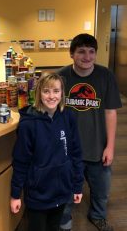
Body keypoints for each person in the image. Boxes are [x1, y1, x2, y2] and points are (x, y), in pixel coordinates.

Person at [58, 33, 122, 231]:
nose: (87, 56)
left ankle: (98, 215)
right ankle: (64, 220)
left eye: (91, 52)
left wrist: (110, 146)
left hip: (97, 145)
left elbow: (111, 112)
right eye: (81, 52)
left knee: (101, 188)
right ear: (71, 54)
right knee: (66, 187)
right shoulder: (61, 77)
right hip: (68, 148)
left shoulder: (106, 76)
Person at [10, 72, 84, 231]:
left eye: (56, 91)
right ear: (38, 93)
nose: (51, 96)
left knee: (55, 228)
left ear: (62, 93)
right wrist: (16, 194)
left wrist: (78, 185)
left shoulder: (68, 117)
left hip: (62, 192)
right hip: (38, 195)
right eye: (46, 91)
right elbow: (20, 162)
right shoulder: (28, 124)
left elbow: (76, 153)